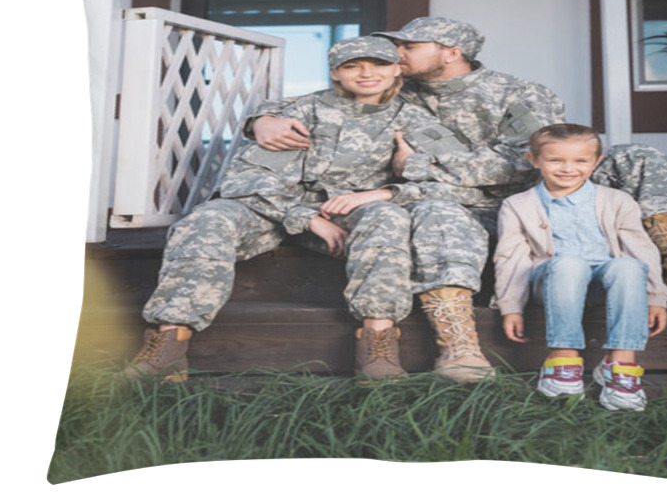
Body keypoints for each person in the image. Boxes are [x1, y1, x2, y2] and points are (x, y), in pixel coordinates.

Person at [250, 17, 667, 309]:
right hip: (447, 201)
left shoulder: (520, 93)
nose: (396, 54)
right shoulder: (392, 87)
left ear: (450, 52)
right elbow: (316, 100)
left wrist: (422, 165)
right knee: (429, 206)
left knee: (640, 157)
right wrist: (262, 118)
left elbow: (525, 162)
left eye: (409, 45)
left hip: (527, 193)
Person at [124, 36, 482, 385]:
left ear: (396, 71)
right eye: (352, 66)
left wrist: (385, 192)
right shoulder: (295, 112)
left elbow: (455, 182)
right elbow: (243, 180)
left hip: (348, 215)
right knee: (207, 219)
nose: (365, 73)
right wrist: (305, 218)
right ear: (335, 74)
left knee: (387, 217)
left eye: (378, 64)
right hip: (273, 210)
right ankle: (168, 345)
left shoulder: (417, 121)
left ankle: (378, 345)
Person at [493, 123, 667, 411]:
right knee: (569, 264)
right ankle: (562, 361)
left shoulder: (617, 201)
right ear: (534, 160)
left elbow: (642, 250)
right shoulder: (518, 205)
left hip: (604, 283)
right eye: (555, 160)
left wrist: (655, 298)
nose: (568, 168)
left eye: (580, 161)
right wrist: (511, 306)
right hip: (551, 282)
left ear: (596, 162)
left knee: (627, 265)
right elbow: (511, 258)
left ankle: (620, 365)